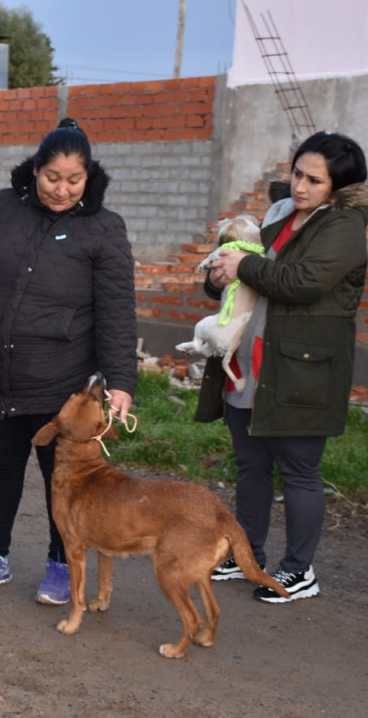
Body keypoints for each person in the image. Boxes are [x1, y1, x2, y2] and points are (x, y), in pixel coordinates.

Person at [0, 118, 137, 605]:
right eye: (52, 177)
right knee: (1, 465)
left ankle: (57, 561)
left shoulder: (105, 229)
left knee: (62, 476)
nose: (62, 190)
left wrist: (122, 381)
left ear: (89, 176)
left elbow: (116, 311)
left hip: (60, 384)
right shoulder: (0, 209)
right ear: (34, 170)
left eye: (74, 179)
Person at [201, 131, 367, 603]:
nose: (300, 186)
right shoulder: (278, 216)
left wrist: (241, 267)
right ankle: (245, 554)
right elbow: (241, 269)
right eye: (298, 173)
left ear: (338, 186)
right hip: (251, 363)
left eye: (315, 180)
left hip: (302, 371)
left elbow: (302, 281)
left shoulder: (346, 226)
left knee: (298, 471)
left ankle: (299, 570)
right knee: (251, 465)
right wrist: (218, 276)